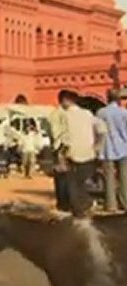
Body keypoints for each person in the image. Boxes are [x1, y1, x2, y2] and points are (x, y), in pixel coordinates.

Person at [58, 89, 107, 217]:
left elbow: (64, 138)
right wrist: (98, 146)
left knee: (73, 185)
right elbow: (102, 129)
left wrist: (61, 155)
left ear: (65, 101)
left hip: (72, 154)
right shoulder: (87, 114)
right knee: (81, 184)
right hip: (88, 154)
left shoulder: (64, 115)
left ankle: (81, 210)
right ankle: (86, 205)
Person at [96, 88, 127, 212]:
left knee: (108, 177)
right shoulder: (124, 112)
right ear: (118, 99)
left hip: (106, 148)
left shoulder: (100, 113)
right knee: (124, 177)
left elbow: (98, 131)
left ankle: (111, 204)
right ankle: (125, 202)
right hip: (123, 147)